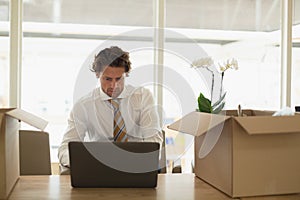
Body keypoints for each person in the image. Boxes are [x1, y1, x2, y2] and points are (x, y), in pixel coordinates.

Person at [58, 46, 163, 167]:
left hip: (136, 165)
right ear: (97, 75)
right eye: (108, 79)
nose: (114, 85)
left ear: (126, 74)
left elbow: (153, 138)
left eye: (119, 79)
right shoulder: (83, 106)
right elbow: (65, 148)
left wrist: (145, 160)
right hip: (98, 167)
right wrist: (83, 162)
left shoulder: (142, 97)